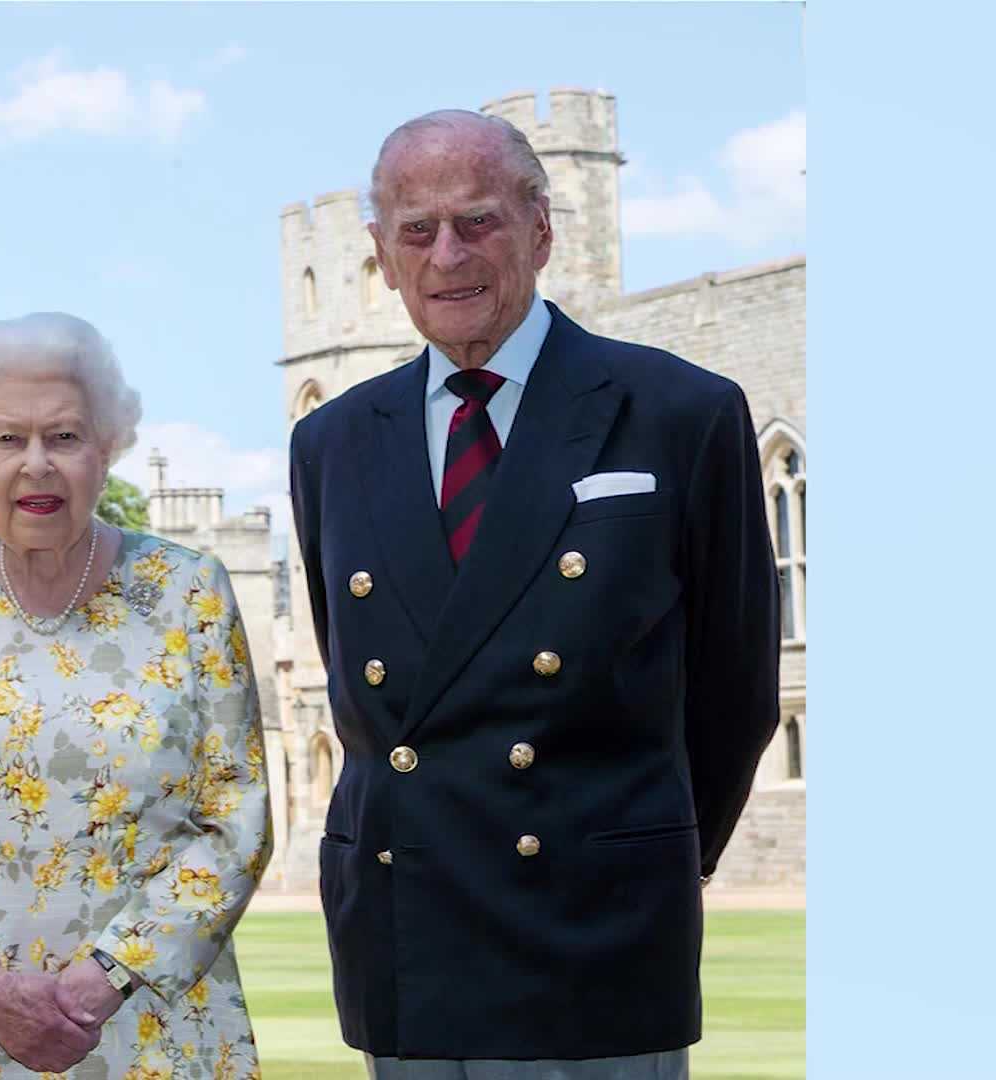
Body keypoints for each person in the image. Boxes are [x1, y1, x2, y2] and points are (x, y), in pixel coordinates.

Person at [287, 110, 781, 1078]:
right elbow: (361, 683)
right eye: (417, 231)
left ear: (543, 231)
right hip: (406, 931)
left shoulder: (680, 412)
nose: (448, 256)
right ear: (380, 257)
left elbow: (736, 690)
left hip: (594, 928)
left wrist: (645, 858)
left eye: (478, 222)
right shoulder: (332, 441)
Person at [0, 312, 273, 1080]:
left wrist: (108, 974)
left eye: (66, 437)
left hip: (158, 1026)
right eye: (8, 438)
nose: (37, 464)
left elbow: (238, 818)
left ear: (107, 449)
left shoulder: (190, 592)